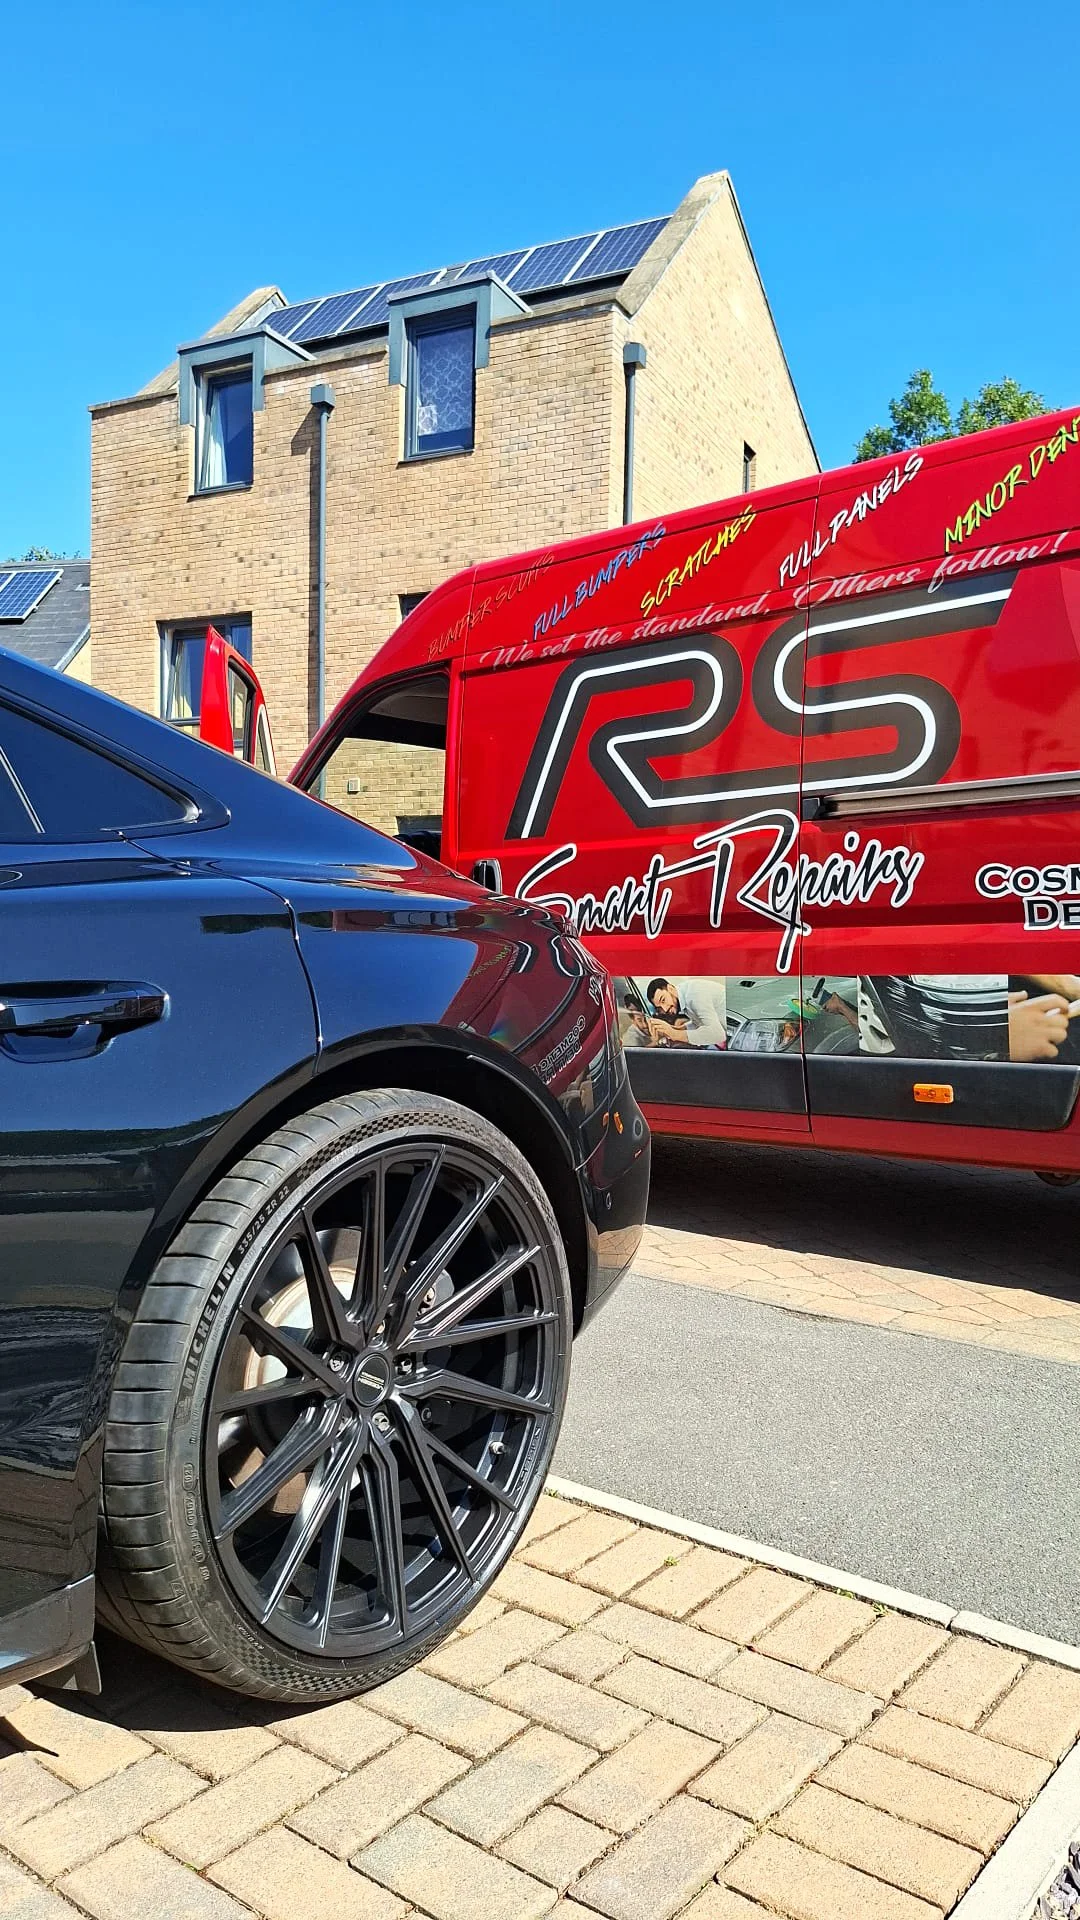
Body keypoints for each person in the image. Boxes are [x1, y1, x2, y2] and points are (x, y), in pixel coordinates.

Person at [645, 976, 728, 1048]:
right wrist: (673, 1029)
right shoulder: (684, 996)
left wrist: (675, 1034)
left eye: (663, 1000)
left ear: (670, 988)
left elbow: (718, 1034)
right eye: (659, 1008)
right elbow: (699, 1023)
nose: (665, 1009)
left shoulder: (694, 994)